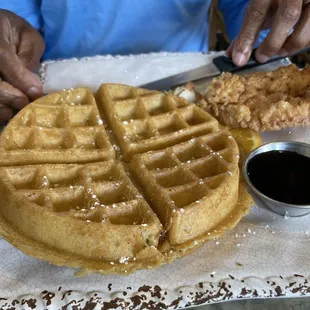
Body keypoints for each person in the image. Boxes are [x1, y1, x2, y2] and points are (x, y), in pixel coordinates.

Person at [0, 0, 309, 123]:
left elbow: (246, 9)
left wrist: (277, 19)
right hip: (54, 80)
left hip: (193, 82)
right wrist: (11, 24)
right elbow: (18, 11)